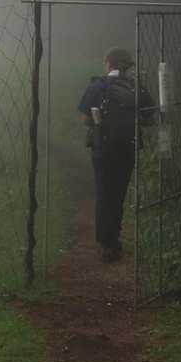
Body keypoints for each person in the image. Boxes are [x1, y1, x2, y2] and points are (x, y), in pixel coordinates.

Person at [77, 46, 150, 263]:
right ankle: (114, 238)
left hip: (103, 149)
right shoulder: (136, 87)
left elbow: (85, 118)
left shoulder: (97, 86)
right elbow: (149, 115)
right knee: (118, 194)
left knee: (104, 194)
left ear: (108, 63)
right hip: (127, 148)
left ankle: (106, 243)